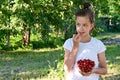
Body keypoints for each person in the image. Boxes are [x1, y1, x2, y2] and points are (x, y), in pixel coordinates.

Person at [63, 2, 107, 80]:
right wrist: (75, 47)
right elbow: (67, 69)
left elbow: (104, 70)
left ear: (91, 25)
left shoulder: (98, 44)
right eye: (78, 24)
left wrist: (92, 70)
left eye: (85, 25)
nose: (81, 28)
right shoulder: (69, 43)